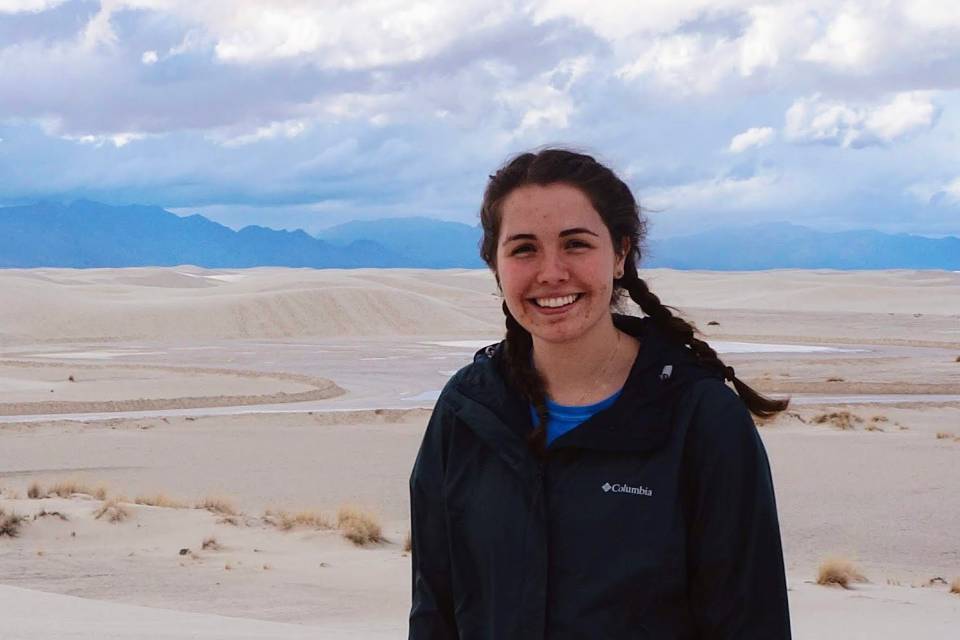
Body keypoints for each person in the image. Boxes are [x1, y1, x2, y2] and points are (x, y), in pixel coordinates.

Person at [408, 148, 791, 639]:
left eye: (576, 244)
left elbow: (751, 621)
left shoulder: (699, 416)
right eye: (523, 248)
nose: (551, 272)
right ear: (496, 266)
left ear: (620, 255)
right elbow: (433, 609)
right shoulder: (468, 410)